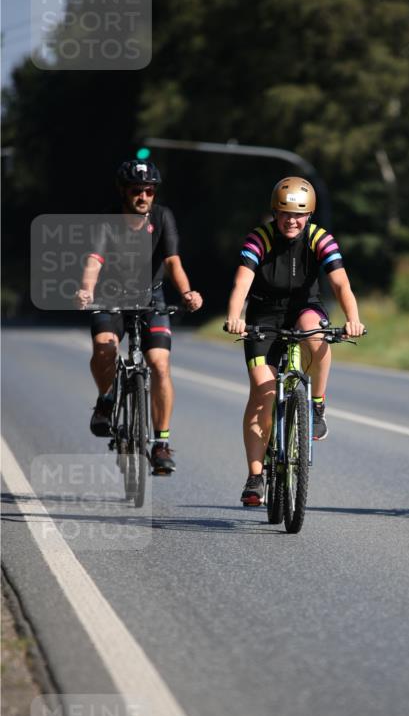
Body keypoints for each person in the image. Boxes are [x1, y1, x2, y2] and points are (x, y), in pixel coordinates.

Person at [226, 176, 365, 505]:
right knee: (262, 393)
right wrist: (235, 316)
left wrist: (353, 319)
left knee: (316, 333)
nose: (292, 220)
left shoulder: (320, 239)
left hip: (305, 308)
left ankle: (316, 405)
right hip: (263, 316)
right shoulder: (259, 238)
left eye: (299, 215)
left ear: (309, 215)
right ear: (275, 212)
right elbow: (242, 282)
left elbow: (341, 284)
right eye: (285, 213)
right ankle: (255, 477)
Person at [76, 159, 203, 474]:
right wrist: (86, 290)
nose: (143, 196)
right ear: (123, 191)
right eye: (136, 190)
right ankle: (106, 399)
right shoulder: (107, 221)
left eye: (149, 191)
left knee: (159, 363)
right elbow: (94, 260)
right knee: (104, 347)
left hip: (150, 297)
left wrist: (187, 293)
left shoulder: (162, 217)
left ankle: (160, 443)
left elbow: (173, 261)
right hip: (109, 296)